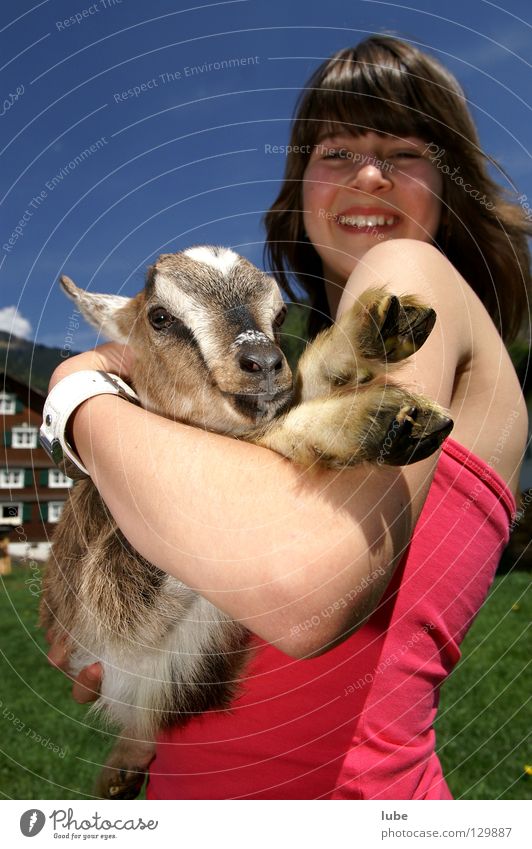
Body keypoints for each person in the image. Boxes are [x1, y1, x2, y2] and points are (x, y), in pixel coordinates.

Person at [46, 35, 530, 799]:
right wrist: (143, 700)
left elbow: (303, 590)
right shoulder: (312, 358)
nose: (368, 174)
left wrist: (75, 398)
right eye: (335, 152)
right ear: (301, 187)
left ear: (451, 180)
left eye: (403, 150)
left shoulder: (412, 270)